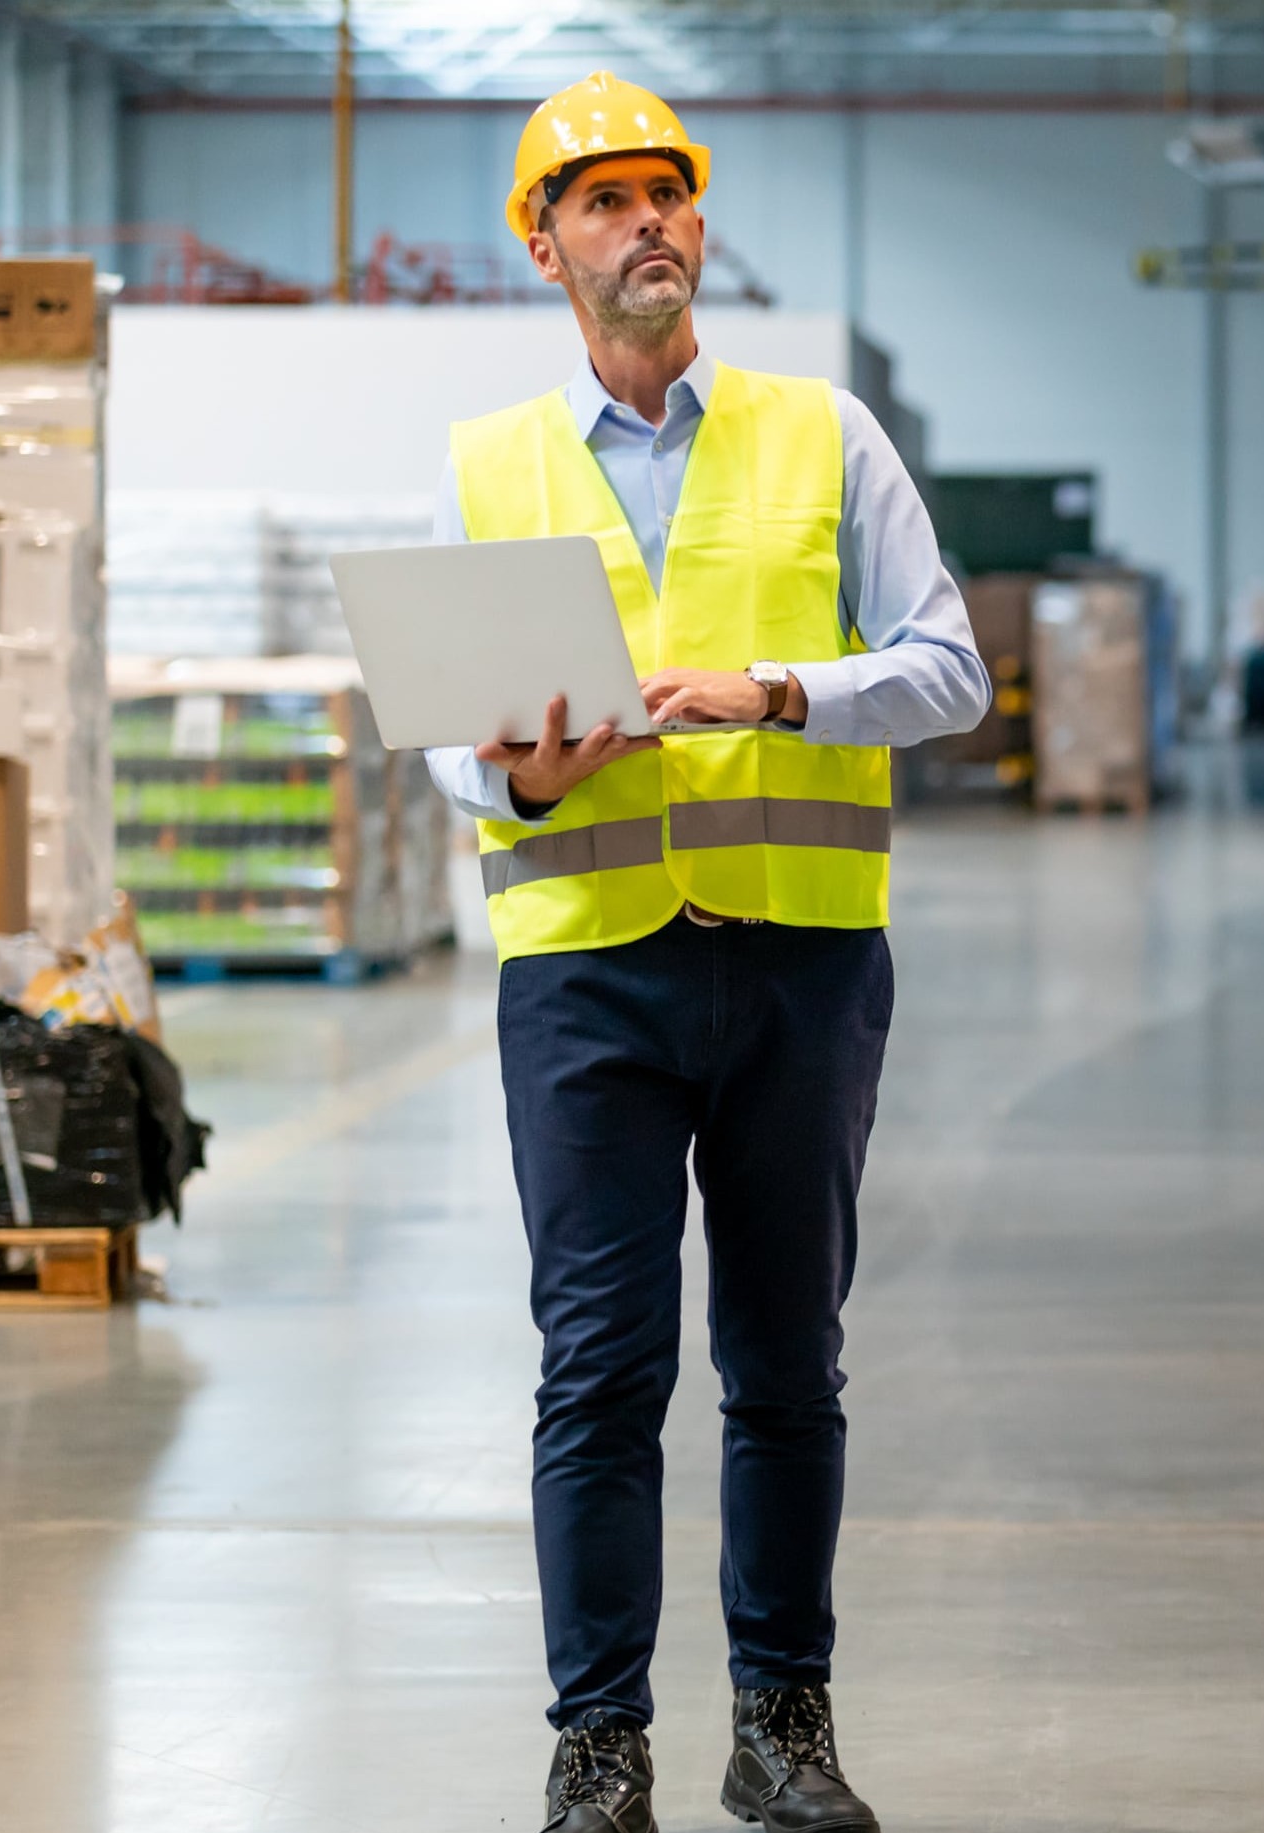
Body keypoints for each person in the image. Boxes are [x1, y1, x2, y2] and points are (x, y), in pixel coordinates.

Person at [419, 72, 990, 1833]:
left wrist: (782, 689)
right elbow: (455, 741)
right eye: (603, 200)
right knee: (598, 1367)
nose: (646, 220)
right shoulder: (494, 465)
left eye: (667, 192)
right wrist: (522, 766)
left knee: (785, 1362)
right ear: (546, 246)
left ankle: (782, 1726)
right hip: (587, 971)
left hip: (801, 969)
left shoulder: (825, 435)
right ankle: (600, 1747)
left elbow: (950, 666)